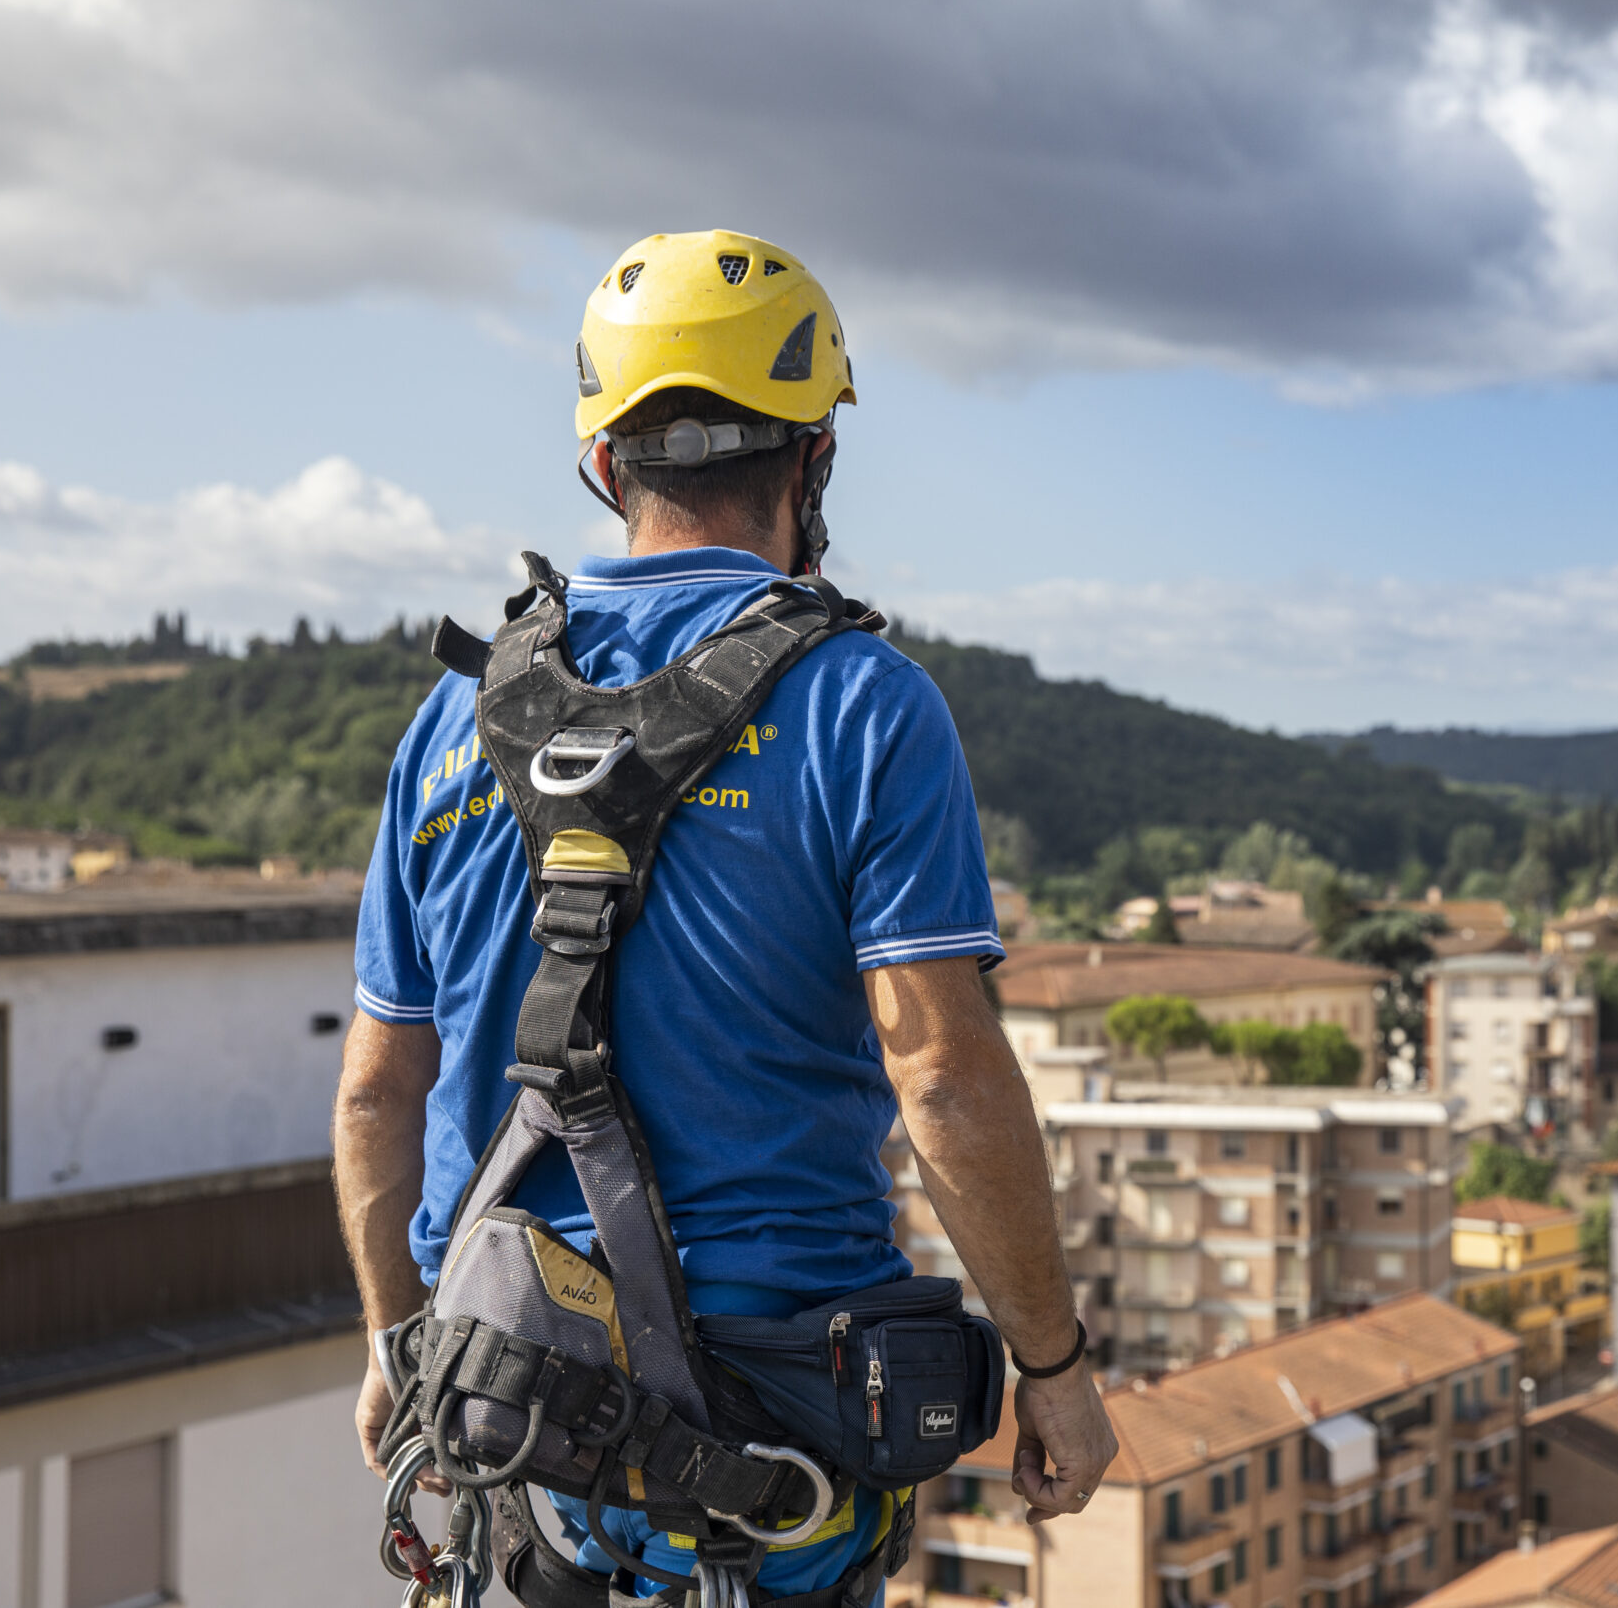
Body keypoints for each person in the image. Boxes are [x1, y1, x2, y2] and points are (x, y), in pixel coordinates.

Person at [332, 230, 1116, 1599]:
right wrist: (1052, 1367)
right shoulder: (863, 707)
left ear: (603, 463)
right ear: (815, 460)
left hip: (510, 1405)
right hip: (773, 1422)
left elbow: (374, 1093)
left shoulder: (451, 723)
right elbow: (940, 1075)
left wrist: (399, 1349)